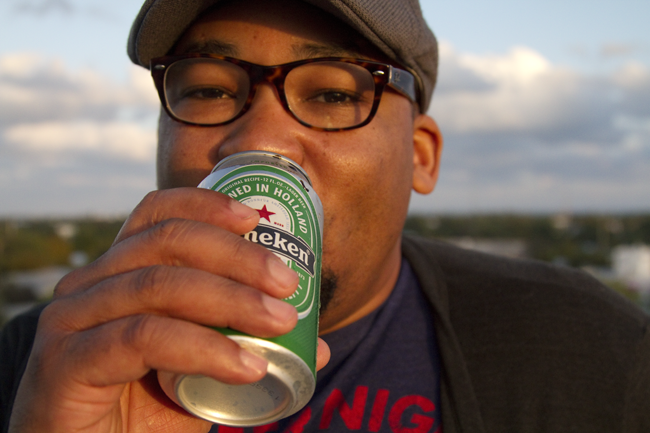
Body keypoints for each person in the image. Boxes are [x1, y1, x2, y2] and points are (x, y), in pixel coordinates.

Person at [1, 0, 649, 432]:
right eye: (206, 88)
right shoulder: (38, 365)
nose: (262, 140)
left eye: (335, 93)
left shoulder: (592, 353)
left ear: (420, 157)